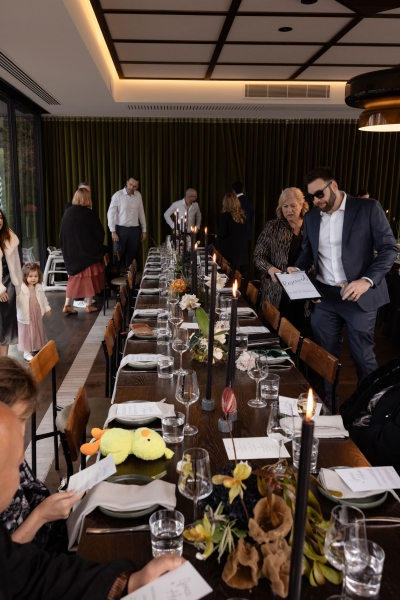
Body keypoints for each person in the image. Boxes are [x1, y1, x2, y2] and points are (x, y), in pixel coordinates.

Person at [0, 402, 185, 600]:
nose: (22, 466)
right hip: (51, 544)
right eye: (16, 464)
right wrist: (41, 515)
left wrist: (128, 583)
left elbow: (30, 573)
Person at [287, 166, 397, 409]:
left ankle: (369, 412)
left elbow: (389, 249)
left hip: (359, 295)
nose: (316, 201)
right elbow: (308, 253)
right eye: (311, 196)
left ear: (334, 186)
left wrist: (367, 280)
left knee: (362, 357)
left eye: (319, 194)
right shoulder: (312, 218)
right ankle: (329, 411)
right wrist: (298, 268)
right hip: (324, 298)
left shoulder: (368, 208)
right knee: (325, 360)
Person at [0, 357, 84, 553]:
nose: (22, 431)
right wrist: (42, 515)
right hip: (35, 556)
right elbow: (7, 560)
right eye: (19, 420)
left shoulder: (9, 451)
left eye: (24, 420)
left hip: (50, 534)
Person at [254, 188, 312, 338]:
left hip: (305, 293)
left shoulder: (312, 226)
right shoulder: (273, 227)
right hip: (277, 292)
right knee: (276, 336)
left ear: (302, 205)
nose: (289, 210)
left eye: (293, 206)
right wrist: (270, 269)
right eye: (285, 206)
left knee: (302, 337)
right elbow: (258, 256)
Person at [340, 355, 400, 474]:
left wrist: (347, 431)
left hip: (370, 465)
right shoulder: (395, 365)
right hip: (351, 438)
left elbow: (386, 448)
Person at [60, 188, 105, 314]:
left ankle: (67, 304)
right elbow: (99, 232)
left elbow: (62, 234)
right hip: (87, 253)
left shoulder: (67, 212)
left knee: (73, 278)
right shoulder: (89, 214)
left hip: (71, 253)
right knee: (89, 277)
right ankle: (89, 305)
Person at [108, 177, 146, 267]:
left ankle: (130, 275)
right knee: (118, 256)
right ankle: (116, 274)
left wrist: (144, 230)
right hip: (120, 230)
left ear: (137, 187)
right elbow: (110, 214)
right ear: (126, 183)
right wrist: (113, 231)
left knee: (131, 257)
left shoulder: (138, 195)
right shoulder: (118, 195)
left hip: (134, 230)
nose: (131, 187)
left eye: (134, 186)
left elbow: (141, 213)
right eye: (130, 184)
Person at [16, 263, 51, 362]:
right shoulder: (21, 288)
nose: (33, 278)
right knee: (27, 332)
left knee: (37, 329)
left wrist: (47, 308)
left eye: (35, 276)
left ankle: (36, 346)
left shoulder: (38, 287)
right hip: (26, 314)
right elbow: (17, 300)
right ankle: (26, 352)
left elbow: (43, 299)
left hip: (36, 312)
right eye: (30, 276)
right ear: (25, 276)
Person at [0, 210, 21, 357]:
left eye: (1, 217)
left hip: (9, 283)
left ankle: (4, 362)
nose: (0, 221)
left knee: (7, 324)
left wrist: (19, 286)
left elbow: (16, 264)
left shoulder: (9, 236)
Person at [217, 192, 248, 277]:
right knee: (240, 277)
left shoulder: (225, 216)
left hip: (229, 251)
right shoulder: (243, 216)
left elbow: (221, 234)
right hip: (242, 251)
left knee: (230, 276)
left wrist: (217, 236)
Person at [232, 182, 254, 247]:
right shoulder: (248, 201)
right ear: (243, 189)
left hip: (237, 234)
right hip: (247, 232)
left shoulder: (233, 203)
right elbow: (252, 213)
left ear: (233, 191)